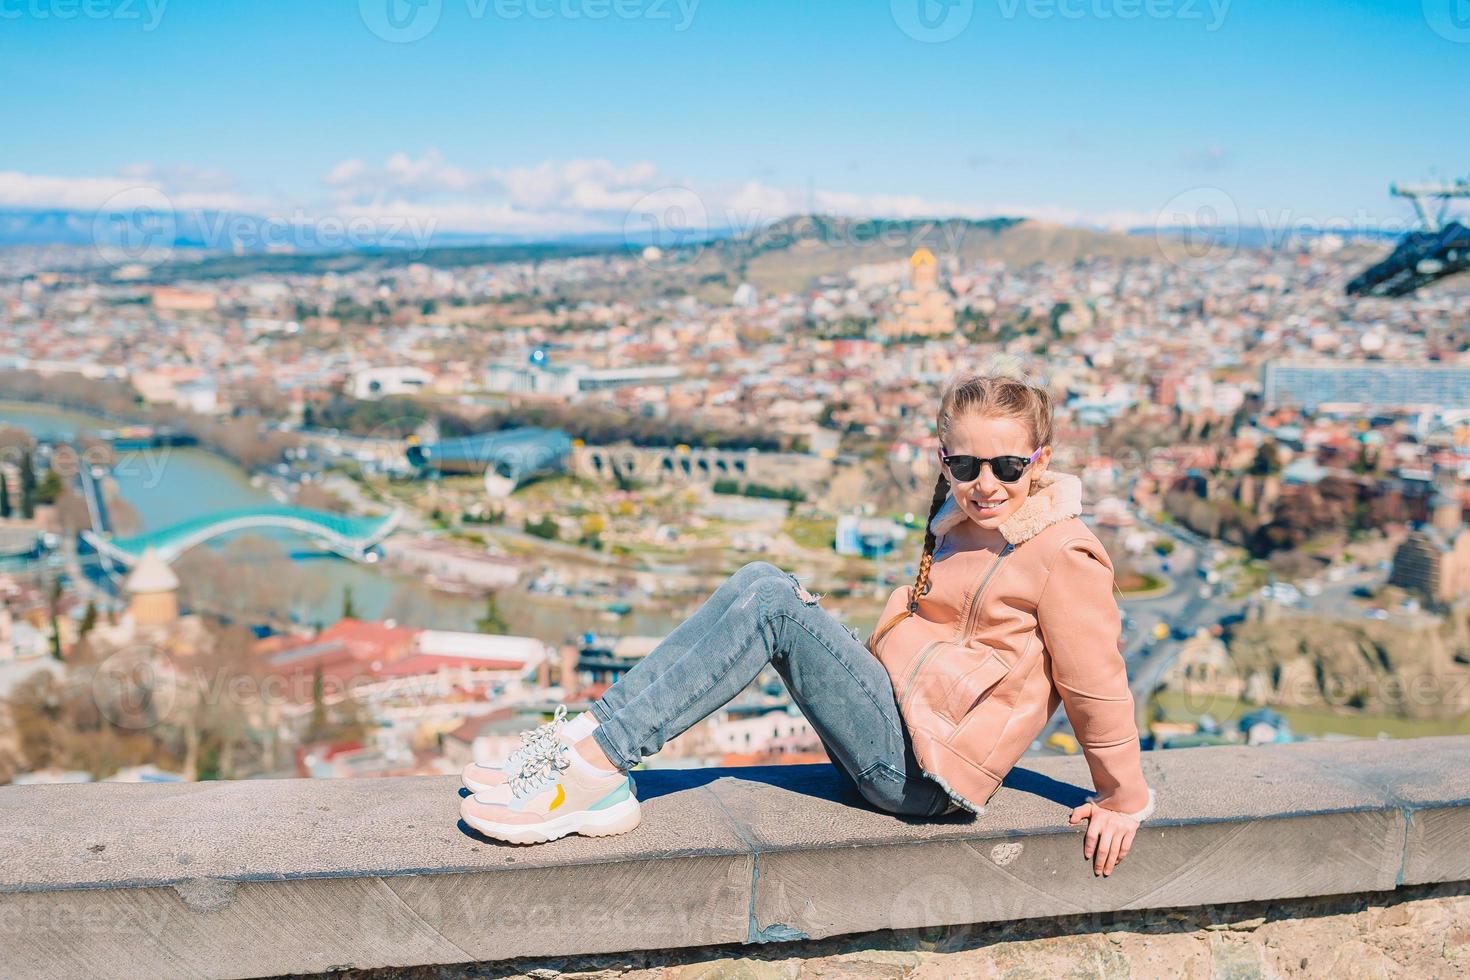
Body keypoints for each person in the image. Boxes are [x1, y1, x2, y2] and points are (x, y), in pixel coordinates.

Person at [459, 365, 1156, 877]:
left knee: (772, 607)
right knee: (762, 580)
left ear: (1042, 461)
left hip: (925, 777)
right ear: (943, 461)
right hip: (898, 722)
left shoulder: (1063, 551)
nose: (987, 483)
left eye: (1007, 464)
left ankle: (593, 767)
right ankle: (587, 742)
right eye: (967, 464)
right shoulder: (955, 520)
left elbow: (1095, 679)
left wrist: (1123, 797)